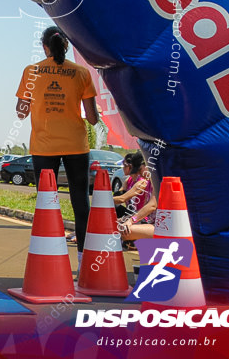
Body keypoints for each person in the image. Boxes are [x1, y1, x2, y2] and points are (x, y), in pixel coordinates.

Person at [16, 26, 98, 265]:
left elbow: (21, 113)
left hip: (44, 147)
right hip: (76, 145)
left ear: (44, 47)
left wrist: (33, 103)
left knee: (46, 203)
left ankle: (49, 259)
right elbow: (92, 118)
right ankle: (84, 260)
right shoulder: (82, 73)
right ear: (66, 47)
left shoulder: (31, 72)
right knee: (81, 202)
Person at [116, 152, 158, 244]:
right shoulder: (149, 182)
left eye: (139, 169)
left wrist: (131, 220)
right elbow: (146, 208)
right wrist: (128, 218)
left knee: (122, 230)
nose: (139, 173)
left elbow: (152, 205)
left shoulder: (155, 181)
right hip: (150, 221)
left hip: (160, 226)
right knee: (115, 226)